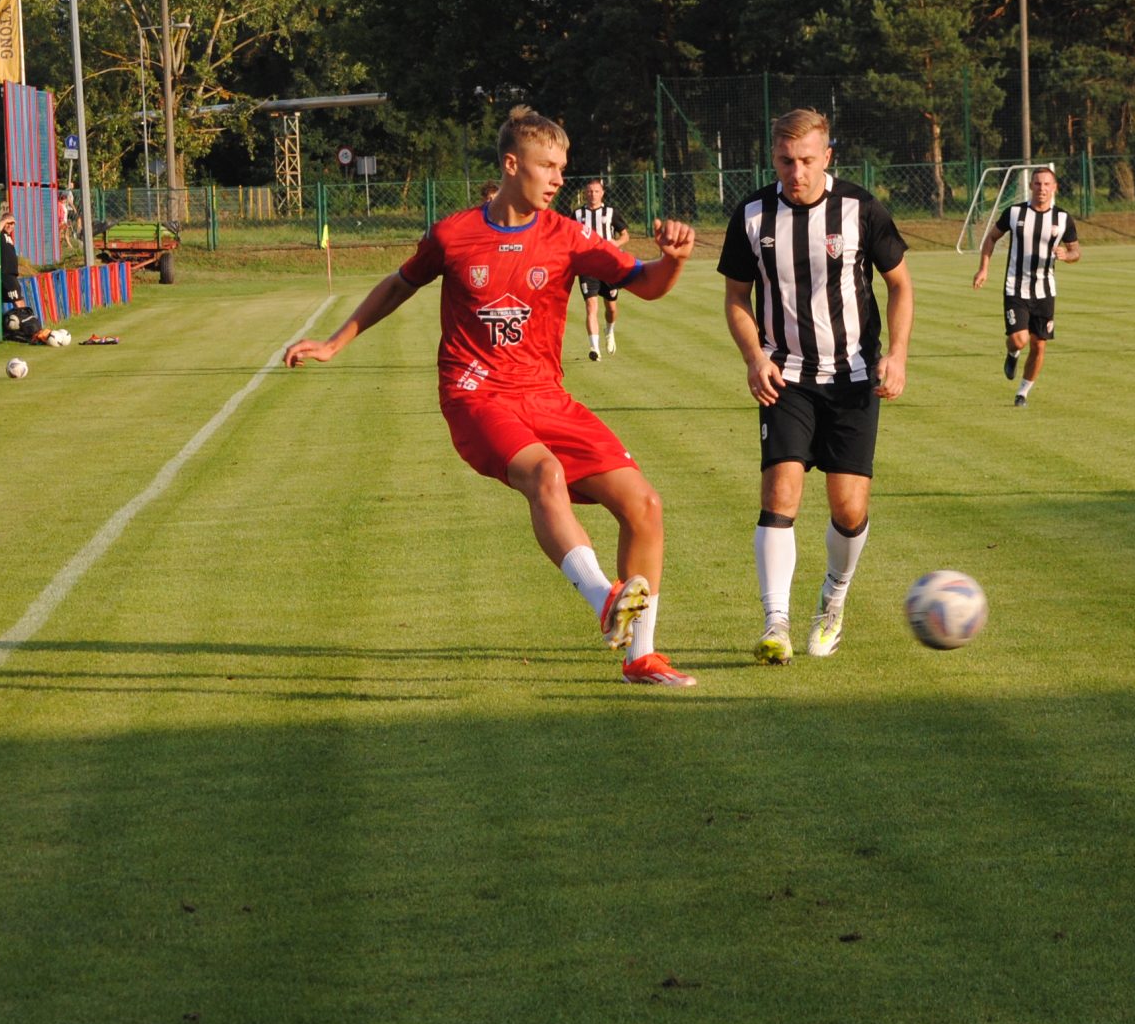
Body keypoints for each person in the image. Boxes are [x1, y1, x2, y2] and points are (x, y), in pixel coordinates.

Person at [286, 108, 702, 686]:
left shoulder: (568, 236)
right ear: (511, 165)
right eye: (547, 166)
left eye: (562, 167)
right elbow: (399, 285)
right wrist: (335, 342)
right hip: (475, 394)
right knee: (545, 474)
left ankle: (641, 657)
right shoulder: (453, 235)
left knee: (645, 505)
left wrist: (673, 261)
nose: (558, 178)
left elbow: (647, 284)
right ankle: (604, 599)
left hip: (544, 395)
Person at [719, 108, 914, 664]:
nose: (796, 172)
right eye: (785, 161)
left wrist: (897, 354)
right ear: (773, 157)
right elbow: (736, 298)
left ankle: (833, 598)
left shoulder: (861, 209)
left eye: (807, 160)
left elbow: (900, 285)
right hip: (786, 379)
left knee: (849, 510)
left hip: (853, 379)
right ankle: (775, 623)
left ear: (827, 156)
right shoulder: (752, 215)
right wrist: (754, 357)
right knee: (779, 495)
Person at [972, 165, 1081, 407]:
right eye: (1037, 183)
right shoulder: (1014, 213)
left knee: (1039, 345)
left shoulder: (1063, 218)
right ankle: (1012, 353)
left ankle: (1023, 393)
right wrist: (983, 268)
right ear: (1031, 186)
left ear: (1054, 188)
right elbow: (991, 238)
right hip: (1015, 286)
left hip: (1045, 290)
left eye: (1046, 184)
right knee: (1019, 339)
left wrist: (1067, 254)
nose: (1042, 188)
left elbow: (1076, 251)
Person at [573, 179, 627, 360]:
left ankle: (609, 330)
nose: (593, 195)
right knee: (591, 306)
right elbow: (568, 236)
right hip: (587, 266)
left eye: (596, 191)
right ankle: (594, 348)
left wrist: (616, 243)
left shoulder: (611, 212)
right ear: (585, 193)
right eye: (589, 191)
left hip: (608, 265)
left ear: (602, 193)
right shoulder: (577, 214)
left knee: (611, 308)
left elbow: (625, 235)